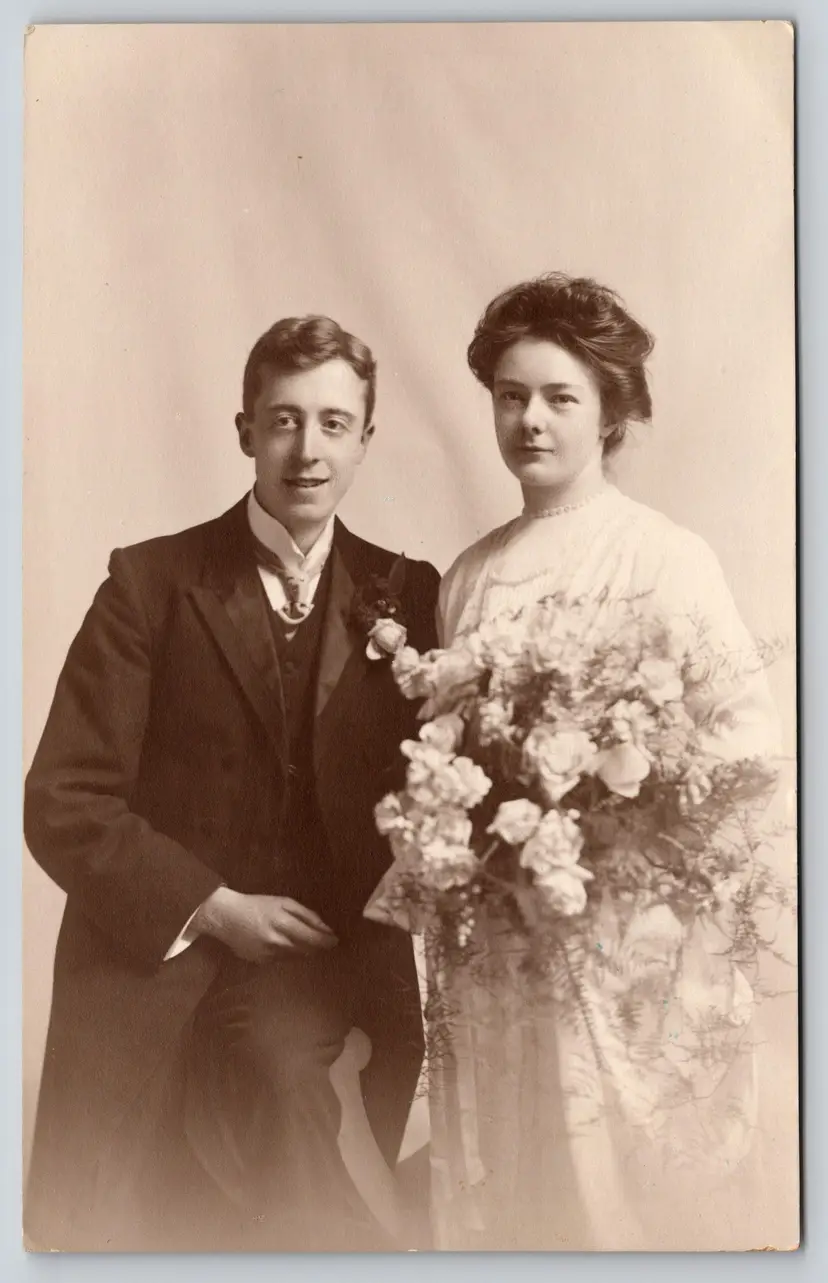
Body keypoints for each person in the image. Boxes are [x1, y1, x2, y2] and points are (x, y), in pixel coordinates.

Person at [24, 315, 440, 1251]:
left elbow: (436, 794)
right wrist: (210, 905)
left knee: (294, 1091)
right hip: (157, 953)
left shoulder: (408, 595)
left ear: (367, 441)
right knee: (136, 1206)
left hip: (323, 958)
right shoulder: (151, 584)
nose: (308, 449)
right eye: (284, 419)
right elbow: (64, 799)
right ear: (245, 428)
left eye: (335, 423)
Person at [429, 273, 780, 1250]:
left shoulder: (664, 557)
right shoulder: (469, 574)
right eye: (510, 395)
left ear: (610, 409)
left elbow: (744, 747)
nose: (529, 419)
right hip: (503, 940)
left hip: (631, 945)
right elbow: (451, 752)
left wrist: (623, 843)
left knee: (621, 1194)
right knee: (523, 1176)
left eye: (558, 397)